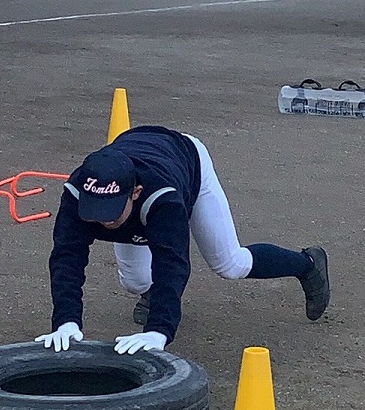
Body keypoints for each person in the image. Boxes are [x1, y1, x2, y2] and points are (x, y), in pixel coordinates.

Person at [36, 125, 330, 354]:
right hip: (137, 156)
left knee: (229, 264)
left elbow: (172, 263)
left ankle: (307, 263)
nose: (104, 221)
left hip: (186, 161)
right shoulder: (77, 192)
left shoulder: (164, 199)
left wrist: (159, 330)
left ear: (135, 193)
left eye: (111, 211)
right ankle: (153, 296)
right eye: (96, 211)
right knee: (136, 282)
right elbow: (66, 258)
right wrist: (66, 321)